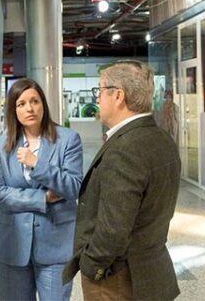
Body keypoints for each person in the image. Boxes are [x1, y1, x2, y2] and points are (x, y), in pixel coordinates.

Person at [63, 60, 181, 300]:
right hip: (152, 270)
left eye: (99, 90)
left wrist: (91, 265)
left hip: (117, 279)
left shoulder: (124, 149)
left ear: (118, 96)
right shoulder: (161, 139)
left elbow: (114, 228)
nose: (97, 98)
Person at [0, 78, 83, 301]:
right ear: (13, 110)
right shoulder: (1, 145)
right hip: (12, 245)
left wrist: (37, 164)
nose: (29, 108)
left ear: (43, 104)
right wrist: (43, 198)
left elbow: (73, 187)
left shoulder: (68, 139)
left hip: (55, 245)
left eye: (34, 101)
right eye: (21, 104)